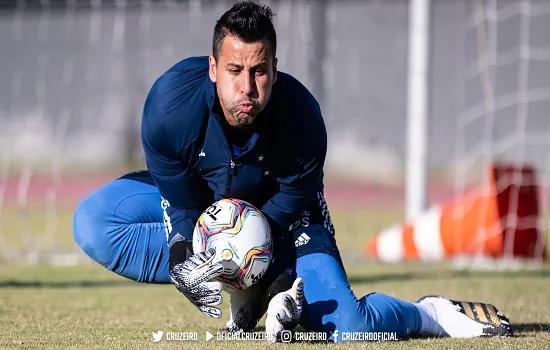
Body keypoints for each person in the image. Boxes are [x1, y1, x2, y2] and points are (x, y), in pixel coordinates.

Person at [72, 1, 513, 342]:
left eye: (260, 71)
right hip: (205, 205)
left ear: (275, 70)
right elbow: (180, 206)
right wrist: (183, 251)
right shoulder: (168, 109)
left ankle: (428, 312)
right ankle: (246, 295)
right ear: (212, 69)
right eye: (234, 70)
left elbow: (285, 213)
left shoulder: (302, 121)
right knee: (93, 222)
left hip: (285, 219)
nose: (247, 87)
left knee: (354, 331)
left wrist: (271, 276)